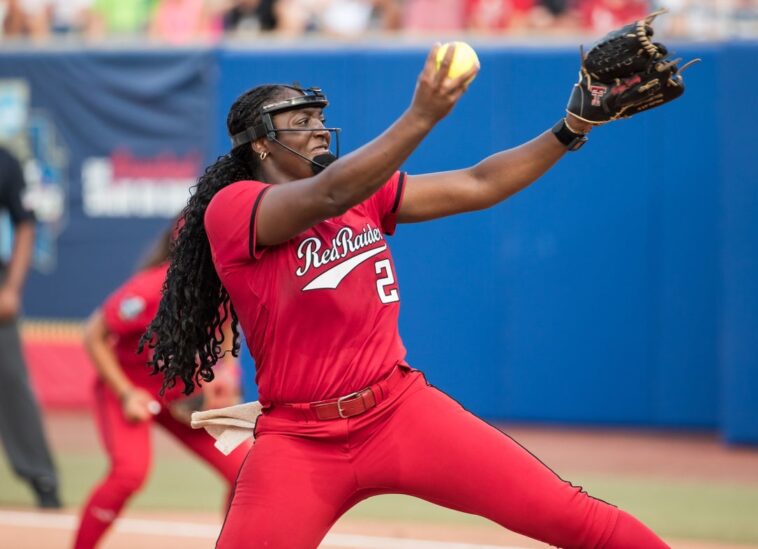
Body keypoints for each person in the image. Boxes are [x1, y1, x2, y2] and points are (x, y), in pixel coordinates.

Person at [142, 45, 671, 547]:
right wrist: (422, 115)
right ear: (259, 143)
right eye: (299, 122)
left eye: (318, 118)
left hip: (398, 412)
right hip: (300, 440)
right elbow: (329, 194)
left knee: (572, 516)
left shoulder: (361, 189)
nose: (318, 129)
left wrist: (571, 126)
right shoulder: (234, 207)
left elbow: (480, 182)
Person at [72, 222, 248, 549]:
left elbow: (226, 328)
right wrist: (125, 393)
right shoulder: (148, 290)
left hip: (185, 396)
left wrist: (227, 373)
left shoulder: (225, 285)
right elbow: (94, 335)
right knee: (129, 473)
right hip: (129, 389)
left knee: (246, 472)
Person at [0, 145, 61, 509]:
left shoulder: (4, 161)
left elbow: (25, 222)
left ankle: (42, 477)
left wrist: (11, 289)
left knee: (11, 379)